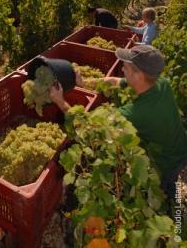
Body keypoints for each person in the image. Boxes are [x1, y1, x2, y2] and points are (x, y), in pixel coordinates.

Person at [50, 45, 187, 202]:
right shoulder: (160, 82)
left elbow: (87, 126)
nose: (122, 70)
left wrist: (60, 102)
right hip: (181, 143)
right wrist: (83, 83)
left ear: (139, 76)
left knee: (165, 192)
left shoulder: (135, 113)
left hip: (169, 162)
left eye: (126, 67)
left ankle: (172, 212)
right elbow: (114, 81)